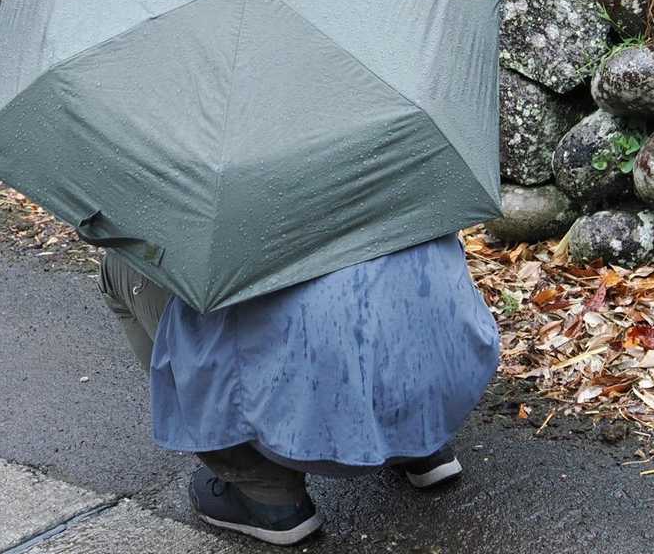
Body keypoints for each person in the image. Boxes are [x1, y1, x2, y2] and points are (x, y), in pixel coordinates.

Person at [99, 233, 500, 545]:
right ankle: (421, 441)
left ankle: (267, 490)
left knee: (120, 264)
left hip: (316, 409)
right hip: (448, 386)